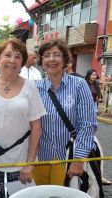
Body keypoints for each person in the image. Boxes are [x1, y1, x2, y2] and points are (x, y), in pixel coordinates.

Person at [0, 38, 46, 197]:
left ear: (23, 62)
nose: (12, 60)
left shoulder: (30, 87)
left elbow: (36, 127)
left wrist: (30, 162)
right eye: (7, 55)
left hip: (20, 162)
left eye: (18, 56)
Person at [33, 39, 97, 187]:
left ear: (65, 59)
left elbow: (87, 124)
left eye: (57, 54)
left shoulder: (79, 85)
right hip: (40, 156)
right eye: (46, 55)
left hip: (68, 156)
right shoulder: (35, 87)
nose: (51, 59)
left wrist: (78, 159)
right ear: (41, 61)